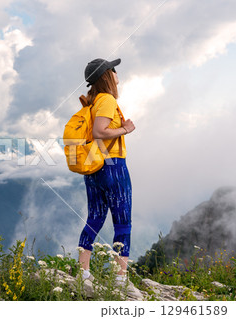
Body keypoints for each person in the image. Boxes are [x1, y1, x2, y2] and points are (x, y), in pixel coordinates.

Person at [78, 58, 135, 283]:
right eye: (113, 69)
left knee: (94, 218)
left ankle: (83, 273)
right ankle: (121, 277)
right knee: (123, 221)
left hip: (93, 166)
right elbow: (100, 131)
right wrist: (125, 129)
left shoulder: (90, 103)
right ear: (106, 76)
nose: (116, 73)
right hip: (113, 167)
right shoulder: (107, 100)